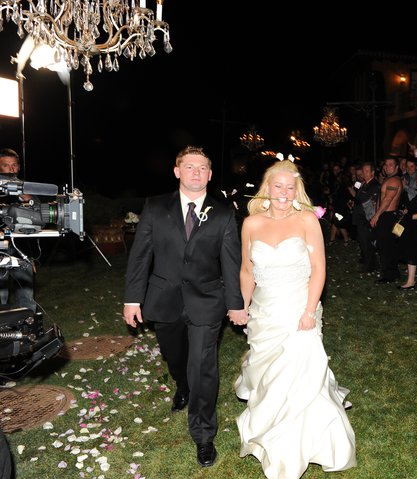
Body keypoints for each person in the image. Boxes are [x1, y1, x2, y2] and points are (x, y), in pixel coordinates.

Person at [233, 158, 356, 479]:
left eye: (290, 188)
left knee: (302, 374)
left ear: (296, 190)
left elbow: (319, 270)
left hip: (300, 307)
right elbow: (247, 270)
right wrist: (242, 305)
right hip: (264, 312)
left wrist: (309, 311)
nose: (284, 193)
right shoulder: (251, 224)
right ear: (268, 189)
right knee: (267, 374)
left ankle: (305, 443)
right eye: (278, 187)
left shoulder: (306, 220)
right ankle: (268, 426)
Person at [123, 146, 243, 468]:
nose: (195, 172)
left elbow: (232, 264)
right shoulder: (155, 207)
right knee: (176, 358)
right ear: (177, 171)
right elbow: (140, 257)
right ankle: (181, 384)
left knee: (203, 366)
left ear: (210, 174)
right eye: (189, 167)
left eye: (202, 168)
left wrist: (236, 303)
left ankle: (204, 435)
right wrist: (133, 299)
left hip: (206, 302)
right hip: (164, 299)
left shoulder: (223, 213)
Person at [0, 148, 37, 312]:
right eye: (6, 166)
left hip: (21, 248)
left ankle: (28, 330)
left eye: (14, 165)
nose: (11, 169)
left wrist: (24, 194)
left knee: (26, 297)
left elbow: (38, 213)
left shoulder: (26, 187)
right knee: (1, 297)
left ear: (19, 167)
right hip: (0, 247)